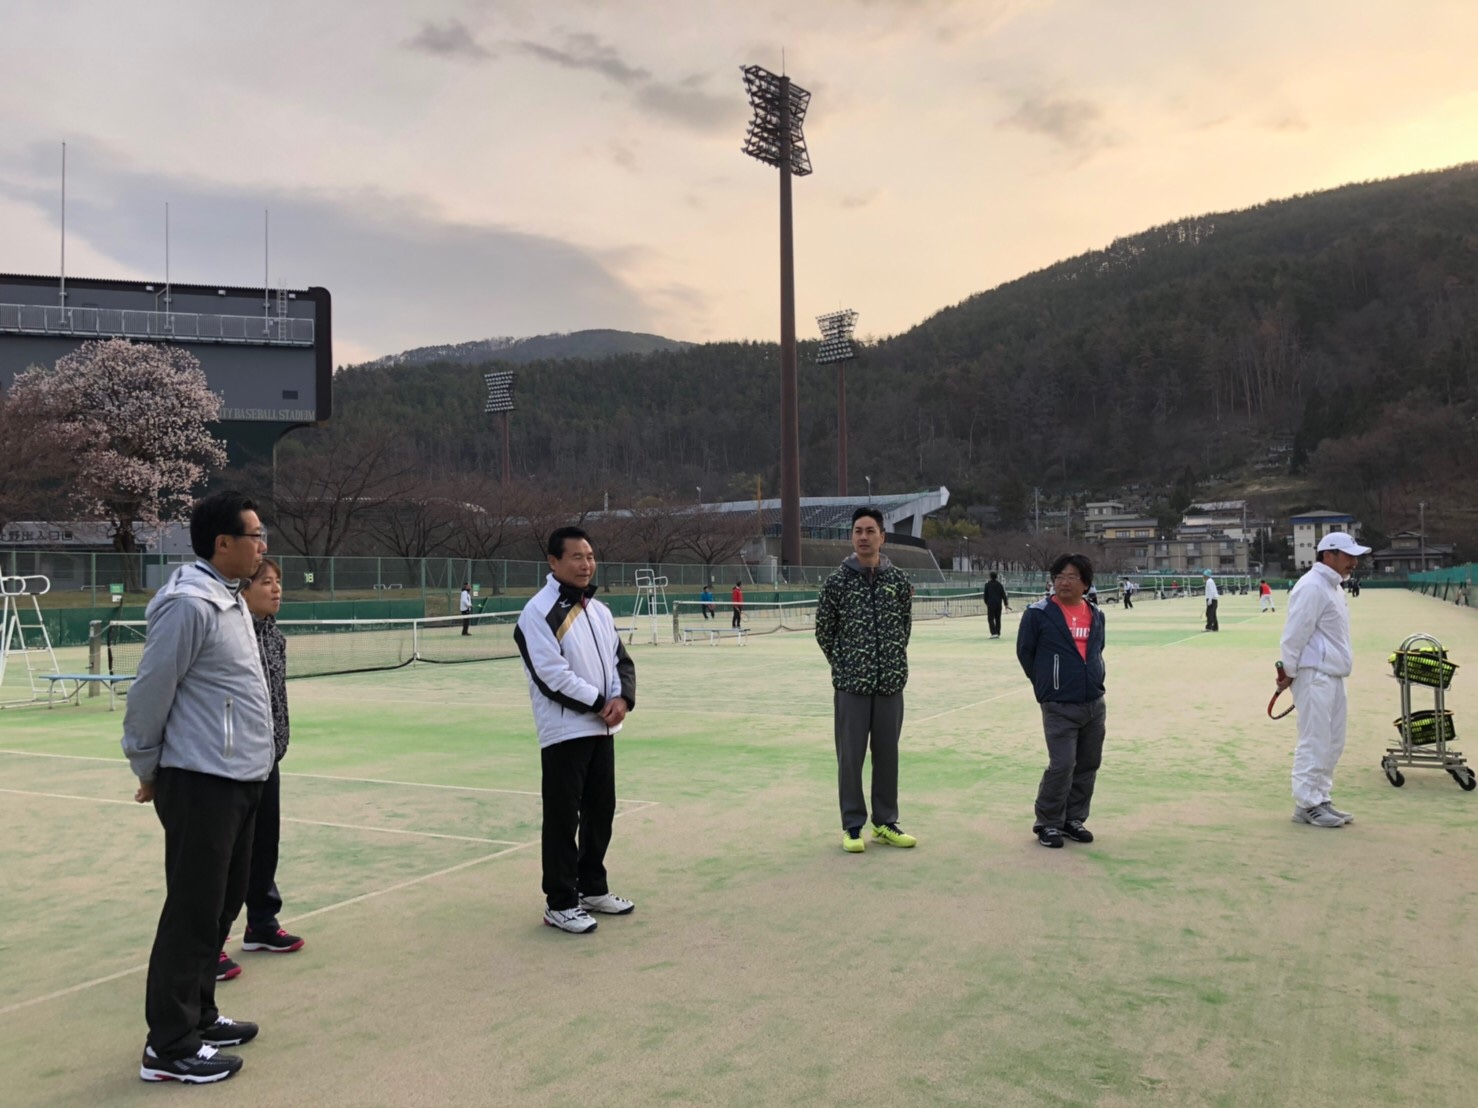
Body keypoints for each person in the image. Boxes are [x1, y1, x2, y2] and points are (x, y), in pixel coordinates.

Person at [121, 491, 274, 1084]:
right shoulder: (188, 604)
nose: (262, 545)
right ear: (223, 543)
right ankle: (168, 1045)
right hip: (201, 780)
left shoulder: (229, 598)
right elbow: (150, 690)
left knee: (221, 906)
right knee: (192, 912)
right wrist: (146, 764)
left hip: (240, 778)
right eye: (254, 535)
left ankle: (200, 1017)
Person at [514, 527, 637, 934]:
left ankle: (592, 888)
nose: (586, 564)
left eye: (590, 556)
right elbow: (551, 676)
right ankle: (561, 902)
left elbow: (621, 661)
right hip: (565, 732)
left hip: (603, 731)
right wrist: (601, 703)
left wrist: (622, 700)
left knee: (601, 811)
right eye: (577, 557)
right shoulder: (537, 612)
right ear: (553, 562)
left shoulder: (598, 610)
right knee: (563, 819)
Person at [815, 507, 917, 853]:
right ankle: (852, 826)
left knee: (888, 756)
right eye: (858, 531)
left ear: (882, 537)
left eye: (870, 531)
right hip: (851, 687)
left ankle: (886, 822)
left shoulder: (898, 581)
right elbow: (824, 631)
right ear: (851, 537)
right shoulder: (836, 582)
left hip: (890, 685)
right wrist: (847, 665)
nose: (863, 537)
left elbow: (904, 628)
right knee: (851, 758)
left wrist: (890, 662)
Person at [222, 558, 305, 971]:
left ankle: (261, 924)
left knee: (264, 844)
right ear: (243, 590)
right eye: (266, 582)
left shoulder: (275, 637)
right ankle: (209, 941)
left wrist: (277, 745)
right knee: (227, 854)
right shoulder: (229, 637)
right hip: (230, 763)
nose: (276, 589)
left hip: (268, 758)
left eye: (278, 582)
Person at [1276, 531, 1370, 828]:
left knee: (1333, 741)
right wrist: (1288, 673)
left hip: (1333, 674)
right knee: (1314, 740)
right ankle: (1306, 804)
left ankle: (1320, 798)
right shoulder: (1311, 586)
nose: (1354, 562)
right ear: (1328, 555)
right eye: (1348, 556)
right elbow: (1294, 634)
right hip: (1314, 675)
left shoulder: (1334, 587)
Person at [1016, 552, 1107, 850]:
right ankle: (1048, 822)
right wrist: (1047, 686)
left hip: (1093, 702)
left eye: (1072, 577)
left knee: (1088, 764)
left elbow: (1097, 650)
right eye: (1059, 577)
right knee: (1062, 765)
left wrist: (1094, 679)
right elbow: (1025, 653)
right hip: (1058, 704)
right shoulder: (1038, 613)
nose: (1064, 582)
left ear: (1085, 584)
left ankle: (1073, 819)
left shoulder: (1096, 614)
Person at [983, 571, 1010, 638]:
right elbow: (1003, 595)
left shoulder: (987, 585)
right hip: (998, 604)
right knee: (998, 619)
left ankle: (994, 633)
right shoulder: (1000, 585)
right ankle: (998, 632)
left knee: (990, 619)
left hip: (991, 604)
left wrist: (987, 603)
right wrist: (1006, 604)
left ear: (990, 577)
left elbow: (985, 596)